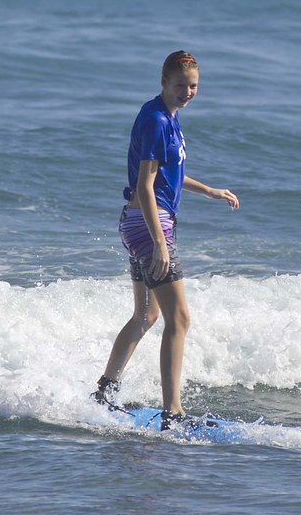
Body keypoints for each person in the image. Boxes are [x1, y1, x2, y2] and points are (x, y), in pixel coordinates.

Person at [92, 50, 239, 429]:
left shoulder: (167, 117)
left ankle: (104, 393)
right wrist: (159, 242)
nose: (187, 92)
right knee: (180, 318)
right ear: (164, 82)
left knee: (147, 315)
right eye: (180, 85)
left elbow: (168, 174)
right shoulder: (157, 120)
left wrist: (208, 190)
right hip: (149, 224)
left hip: (139, 222)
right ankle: (174, 413)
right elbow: (145, 185)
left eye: (193, 86)